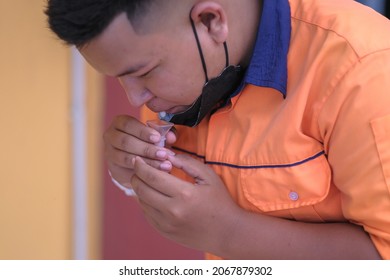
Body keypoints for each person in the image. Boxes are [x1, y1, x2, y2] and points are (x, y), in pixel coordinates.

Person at [45, 0, 390, 259]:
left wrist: (230, 233)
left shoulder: (364, 72)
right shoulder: (182, 72)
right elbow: (197, 201)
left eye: (143, 71)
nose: (136, 97)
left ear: (211, 21)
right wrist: (131, 172)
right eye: (119, 76)